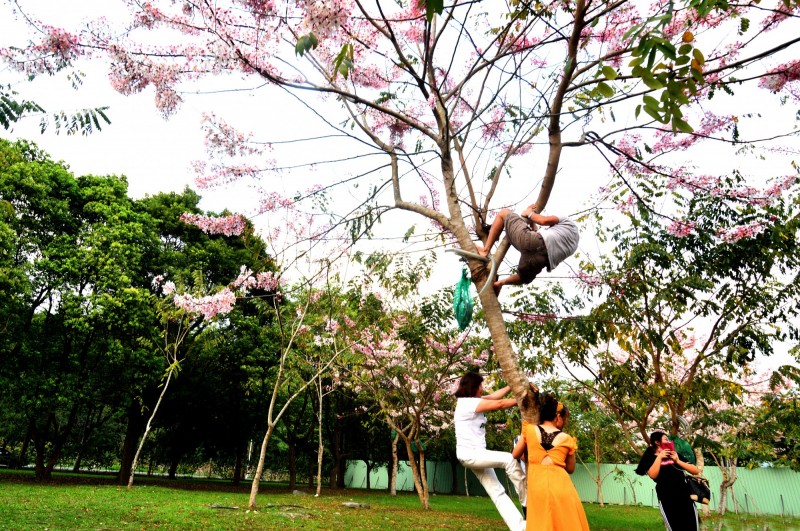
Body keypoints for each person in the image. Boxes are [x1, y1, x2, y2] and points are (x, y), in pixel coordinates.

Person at [454, 372, 527, 531]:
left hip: (475, 455)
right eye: (480, 385)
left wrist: (512, 385)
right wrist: (523, 401)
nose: (482, 388)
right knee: (510, 459)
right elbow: (500, 404)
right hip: (472, 454)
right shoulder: (467, 404)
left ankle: (520, 528)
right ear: (473, 387)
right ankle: (528, 505)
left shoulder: (472, 401)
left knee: (497, 493)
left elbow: (495, 396)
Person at [512, 392, 589, 531]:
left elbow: (515, 454)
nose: (565, 422)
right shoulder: (567, 438)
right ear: (558, 417)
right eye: (565, 419)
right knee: (565, 525)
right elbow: (571, 468)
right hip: (562, 486)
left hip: (537, 486)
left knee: (542, 524)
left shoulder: (529, 430)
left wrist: (533, 457)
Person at [476, 204, 579, 293]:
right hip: (540, 261)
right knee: (524, 277)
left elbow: (543, 221)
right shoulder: (572, 245)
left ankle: (485, 250)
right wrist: (532, 222)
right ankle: (501, 283)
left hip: (531, 242)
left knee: (504, 213)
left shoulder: (567, 221)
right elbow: (542, 245)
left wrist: (529, 213)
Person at [635, 430, 700, 530]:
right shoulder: (650, 457)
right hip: (666, 498)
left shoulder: (674, 454)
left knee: (692, 526)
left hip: (684, 496)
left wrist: (677, 460)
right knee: (675, 527)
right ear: (657, 442)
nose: (669, 441)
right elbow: (653, 475)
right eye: (666, 439)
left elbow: (695, 471)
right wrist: (660, 457)